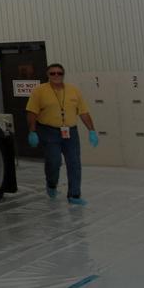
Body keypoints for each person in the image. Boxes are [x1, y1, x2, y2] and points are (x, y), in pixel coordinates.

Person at [25, 63, 98, 205]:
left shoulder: (73, 91)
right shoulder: (39, 91)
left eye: (59, 73)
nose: (56, 76)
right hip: (49, 131)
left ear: (63, 75)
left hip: (70, 132)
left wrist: (92, 131)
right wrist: (32, 131)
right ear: (48, 75)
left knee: (74, 163)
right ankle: (51, 184)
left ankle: (74, 195)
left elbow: (83, 112)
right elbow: (32, 112)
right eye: (52, 73)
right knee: (54, 161)